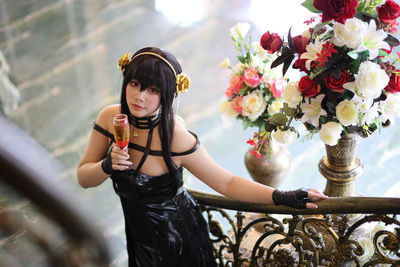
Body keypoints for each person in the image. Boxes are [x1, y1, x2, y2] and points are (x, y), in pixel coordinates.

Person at [77, 47, 327, 267]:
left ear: (168, 95)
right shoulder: (110, 119)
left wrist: (283, 196)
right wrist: (106, 165)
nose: (139, 96)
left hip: (180, 239)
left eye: (152, 89)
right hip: (138, 237)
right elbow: (84, 178)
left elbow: (226, 182)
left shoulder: (174, 136)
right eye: (134, 84)